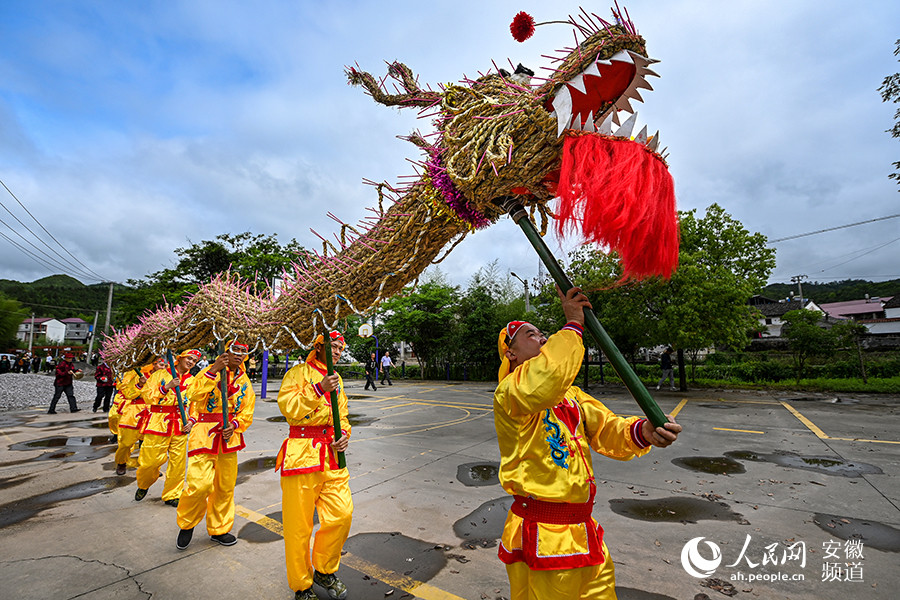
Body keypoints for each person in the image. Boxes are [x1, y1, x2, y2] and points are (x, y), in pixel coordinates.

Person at [494, 286, 682, 600]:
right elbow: (547, 379)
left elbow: (608, 429)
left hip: (584, 531)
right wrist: (571, 325)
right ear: (510, 353)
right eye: (531, 334)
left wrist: (644, 432)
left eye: (544, 333)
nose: (542, 338)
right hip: (544, 534)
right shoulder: (512, 393)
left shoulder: (572, 397)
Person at [276, 331, 352, 600]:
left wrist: (344, 435)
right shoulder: (298, 373)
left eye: (342, 347)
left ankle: (324, 569)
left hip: (331, 456)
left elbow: (341, 414)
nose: (339, 351)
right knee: (298, 527)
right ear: (319, 347)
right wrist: (319, 388)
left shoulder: (338, 378)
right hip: (301, 455)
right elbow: (289, 408)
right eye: (334, 346)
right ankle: (302, 585)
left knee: (342, 515)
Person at [175, 342, 256, 550]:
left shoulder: (244, 380)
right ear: (225, 351)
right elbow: (191, 395)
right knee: (199, 485)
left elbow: (248, 410)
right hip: (204, 434)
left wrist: (235, 425)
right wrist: (213, 371)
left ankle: (219, 529)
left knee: (225, 487)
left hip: (229, 437)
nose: (239, 355)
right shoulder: (207, 371)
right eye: (235, 350)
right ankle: (187, 523)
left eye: (243, 351)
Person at [134, 350, 200, 506]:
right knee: (149, 463)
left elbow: (196, 403)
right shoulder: (161, 375)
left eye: (195, 361)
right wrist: (167, 387)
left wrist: (191, 420)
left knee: (177, 464)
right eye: (189, 358)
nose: (191, 362)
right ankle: (144, 483)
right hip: (158, 423)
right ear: (180, 358)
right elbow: (147, 396)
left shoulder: (193, 381)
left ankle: (172, 494)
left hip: (180, 425)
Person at [114, 358, 166, 475]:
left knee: (150, 445)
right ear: (153, 364)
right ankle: (121, 462)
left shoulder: (165, 378)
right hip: (134, 412)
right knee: (126, 443)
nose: (163, 368)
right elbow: (128, 394)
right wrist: (140, 384)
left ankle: (149, 467)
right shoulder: (138, 375)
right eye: (161, 365)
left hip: (154, 413)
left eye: (165, 365)